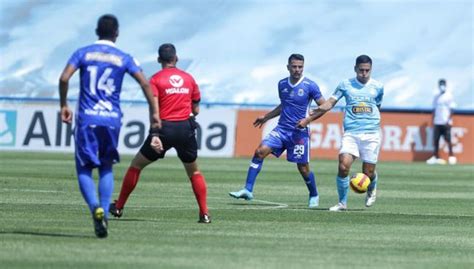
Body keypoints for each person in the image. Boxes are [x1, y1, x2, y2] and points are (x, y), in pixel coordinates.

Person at [59, 15, 160, 238]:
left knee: (84, 168)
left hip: (87, 118)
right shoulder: (124, 57)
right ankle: (104, 213)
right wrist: (153, 112)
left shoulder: (83, 52)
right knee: (106, 167)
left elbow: (65, 78)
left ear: (97, 31)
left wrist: (64, 104)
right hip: (111, 118)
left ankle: (95, 206)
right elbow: (144, 82)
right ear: (117, 33)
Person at [109, 43, 211, 223]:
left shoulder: (155, 80)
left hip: (164, 129)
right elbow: (196, 110)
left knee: (136, 165)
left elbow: (154, 108)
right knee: (194, 172)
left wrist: (154, 133)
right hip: (185, 128)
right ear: (176, 58)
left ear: (158, 60)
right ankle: (204, 214)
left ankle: (118, 207)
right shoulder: (189, 78)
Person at [229, 54, 325, 208]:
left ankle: (313, 194)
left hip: (299, 133)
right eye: (294, 66)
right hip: (281, 129)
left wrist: (308, 120)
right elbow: (283, 106)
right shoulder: (282, 84)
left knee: (303, 168)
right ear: (288, 67)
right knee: (260, 151)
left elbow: (323, 107)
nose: (297, 69)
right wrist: (266, 117)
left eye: (300, 67)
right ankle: (247, 189)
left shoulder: (310, 86)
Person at [298, 55, 384, 211]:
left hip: (371, 133)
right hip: (351, 132)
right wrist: (318, 110)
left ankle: (372, 186)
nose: (364, 73)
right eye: (361, 70)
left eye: (367, 70)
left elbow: (377, 105)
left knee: (368, 172)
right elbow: (330, 102)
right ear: (355, 69)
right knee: (344, 166)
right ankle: (342, 203)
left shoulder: (378, 86)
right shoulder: (345, 85)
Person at [426, 79, 457, 165]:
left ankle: (451, 156)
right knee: (436, 140)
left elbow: (452, 109)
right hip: (437, 121)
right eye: (440, 84)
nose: (441, 86)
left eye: (443, 84)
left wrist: (448, 120)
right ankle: (436, 157)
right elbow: (434, 109)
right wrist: (433, 120)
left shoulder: (449, 96)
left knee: (448, 140)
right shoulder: (436, 96)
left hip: (446, 122)